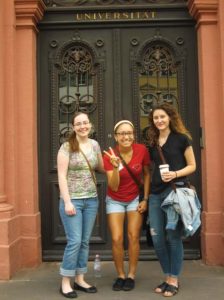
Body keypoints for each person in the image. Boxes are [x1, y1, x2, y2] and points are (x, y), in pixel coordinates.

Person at [146, 103, 196, 297]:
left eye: (162, 117)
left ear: (170, 118)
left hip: (174, 193)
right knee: (157, 239)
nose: (159, 120)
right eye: (156, 118)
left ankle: (174, 278)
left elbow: (192, 165)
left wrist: (175, 173)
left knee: (172, 237)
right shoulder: (152, 141)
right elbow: (149, 170)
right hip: (155, 194)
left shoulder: (182, 139)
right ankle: (167, 276)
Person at [57, 112, 104, 298]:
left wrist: (115, 165)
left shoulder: (95, 145)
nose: (83, 126)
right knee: (74, 241)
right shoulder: (67, 147)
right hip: (73, 200)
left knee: (84, 241)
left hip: (91, 199)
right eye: (78, 123)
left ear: (90, 125)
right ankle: (65, 282)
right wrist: (67, 201)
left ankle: (80, 278)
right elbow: (61, 175)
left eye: (85, 123)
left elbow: (100, 167)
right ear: (73, 126)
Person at [103, 120, 150, 292]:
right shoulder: (109, 154)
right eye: (122, 133)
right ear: (116, 136)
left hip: (135, 199)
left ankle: (131, 275)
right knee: (116, 238)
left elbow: (146, 174)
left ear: (133, 134)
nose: (126, 136)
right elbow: (113, 186)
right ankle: (120, 275)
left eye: (129, 133)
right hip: (115, 199)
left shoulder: (141, 150)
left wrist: (145, 199)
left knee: (133, 236)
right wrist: (115, 167)